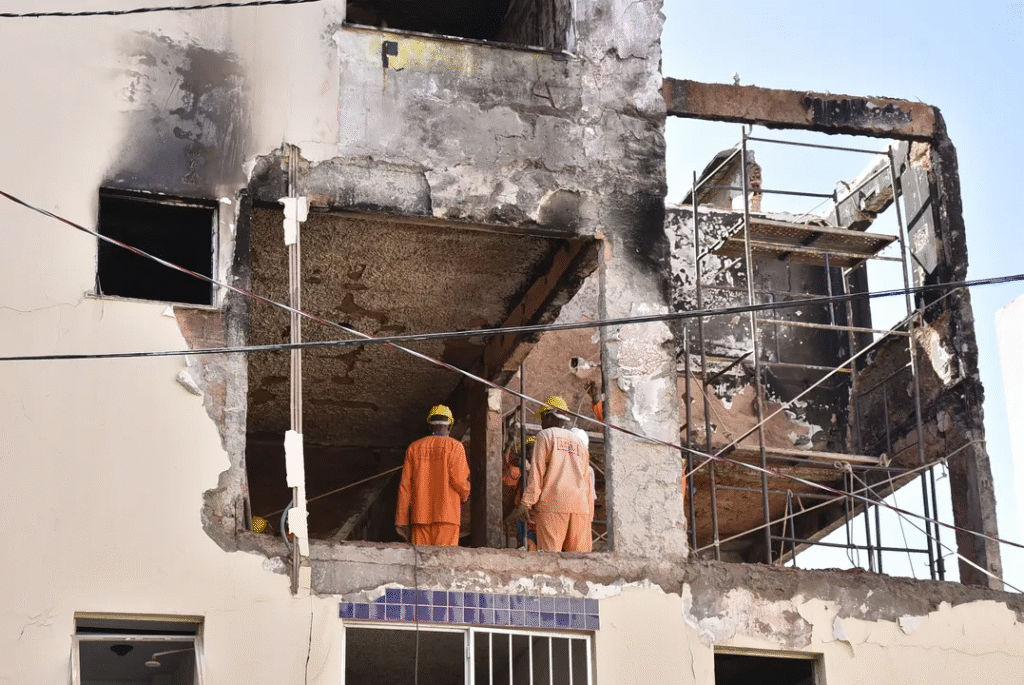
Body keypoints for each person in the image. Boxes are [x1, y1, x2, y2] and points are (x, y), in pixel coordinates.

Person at [513, 396, 593, 552]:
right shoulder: (580, 443)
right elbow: (586, 482)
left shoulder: (544, 436)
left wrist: (526, 503)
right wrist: (588, 514)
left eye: (542, 418)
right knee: (579, 558)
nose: (541, 423)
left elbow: (537, 474)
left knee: (550, 557)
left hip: (553, 505)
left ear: (549, 417)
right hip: (580, 507)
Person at [395, 404, 470, 546]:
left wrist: (401, 521)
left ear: (430, 426)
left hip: (419, 518)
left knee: (422, 559)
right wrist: (465, 493)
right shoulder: (456, 447)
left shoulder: (414, 448)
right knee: (445, 559)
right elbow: (459, 481)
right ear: (449, 426)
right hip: (447, 518)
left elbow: (405, 487)